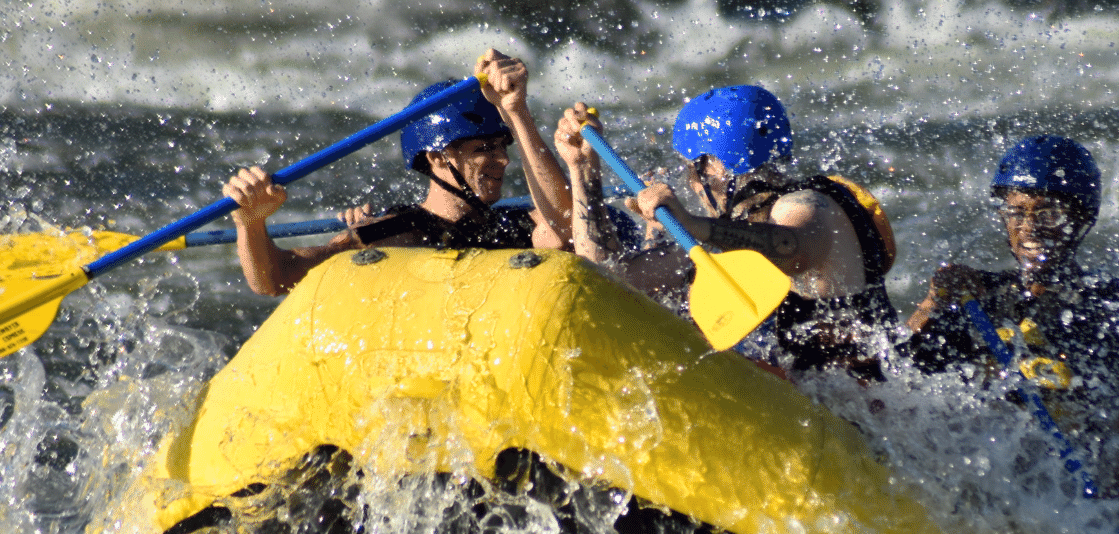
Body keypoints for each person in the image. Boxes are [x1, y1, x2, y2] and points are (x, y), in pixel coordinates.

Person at [561, 86, 899, 380]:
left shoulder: (808, 205)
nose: (691, 183)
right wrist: (583, 169)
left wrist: (693, 225)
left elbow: (791, 248)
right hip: (807, 403)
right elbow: (606, 279)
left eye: (691, 168)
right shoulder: (720, 239)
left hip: (861, 415)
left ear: (715, 167)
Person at [901, 135, 1119, 496]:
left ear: (1081, 219)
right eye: (1016, 212)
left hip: (1074, 482)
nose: (1029, 227)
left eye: (1048, 214)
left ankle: (1101, 521)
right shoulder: (979, 296)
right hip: (985, 469)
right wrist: (931, 304)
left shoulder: (1114, 302)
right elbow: (897, 373)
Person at [223, 49, 573, 295]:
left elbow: (567, 226)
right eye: (483, 149)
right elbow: (276, 280)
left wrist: (516, 111)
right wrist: (250, 224)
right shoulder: (392, 232)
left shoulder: (518, 224)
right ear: (436, 158)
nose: (504, 161)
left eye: (502, 146)